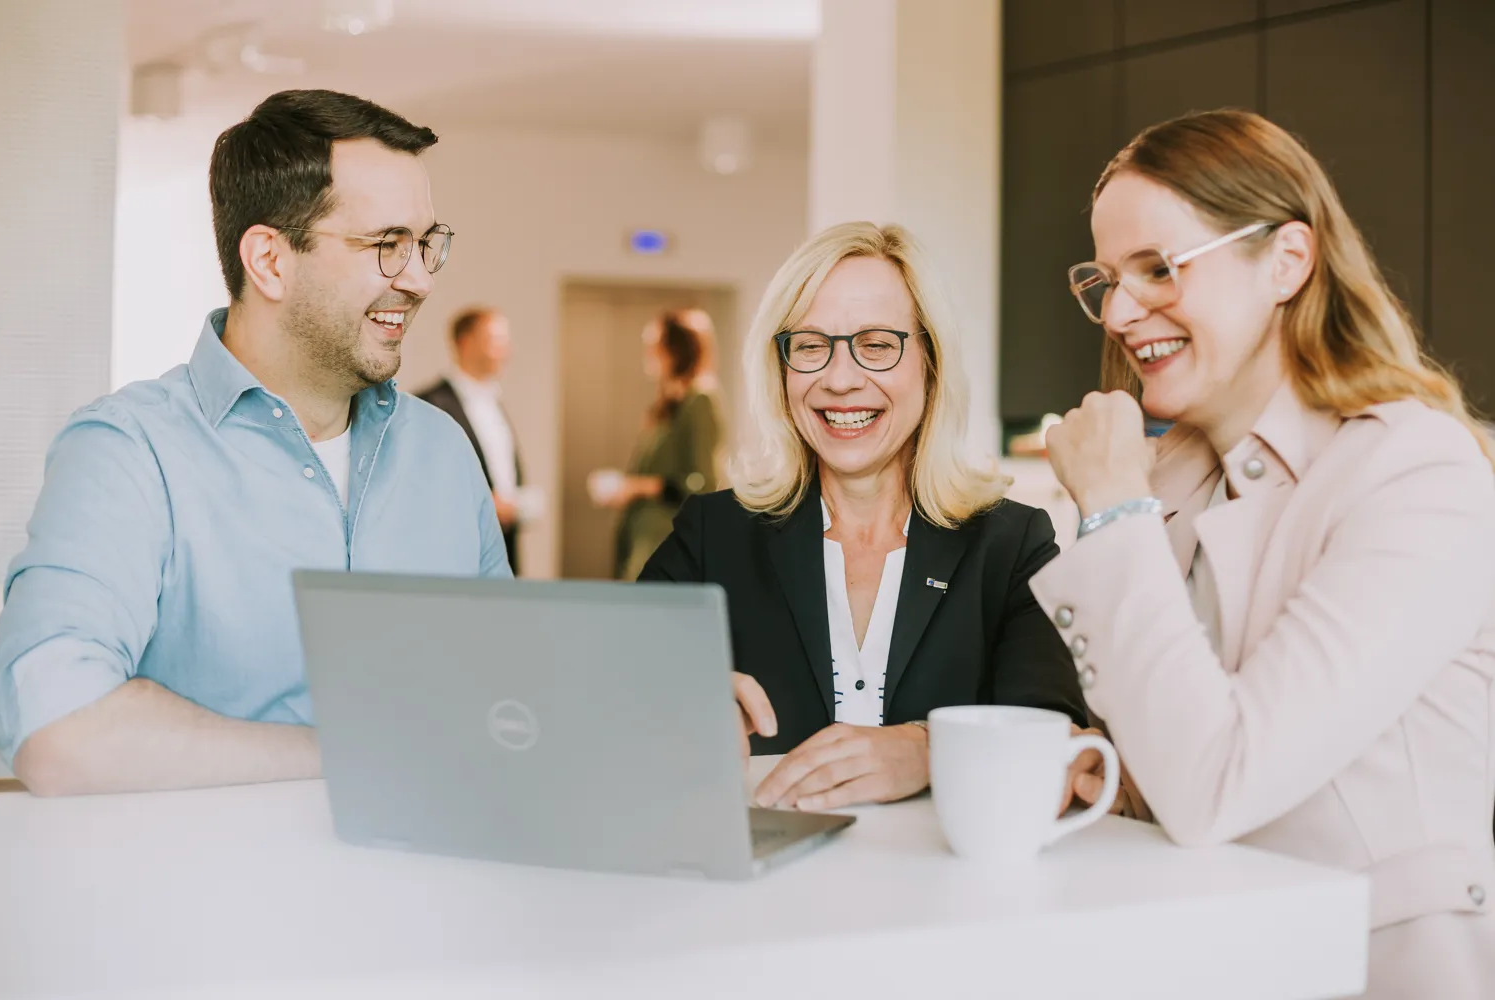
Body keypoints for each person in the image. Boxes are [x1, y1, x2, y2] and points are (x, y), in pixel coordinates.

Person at [1037, 110, 1495, 997]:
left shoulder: (1416, 472)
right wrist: (1101, 769)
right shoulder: (1168, 478)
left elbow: (1217, 783)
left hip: (1371, 971)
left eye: (1159, 269)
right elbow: (1174, 750)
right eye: (1106, 279)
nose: (1124, 312)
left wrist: (1112, 512)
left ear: (1287, 261)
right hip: (1192, 956)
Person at [0, 89, 510, 797]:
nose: (419, 279)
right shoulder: (127, 451)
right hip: (206, 902)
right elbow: (56, 725)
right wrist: (354, 756)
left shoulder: (443, 455)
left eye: (426, 243)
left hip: (441, 892)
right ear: (269, 260)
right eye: (387, 246)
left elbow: (507, 700)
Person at [640, 222, 1089, 812]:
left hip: (951, 896)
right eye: (809, 345)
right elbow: (608, 696)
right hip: (763, 896)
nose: (840, 378)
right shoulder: (712, 535)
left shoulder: (1012, 546)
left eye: (877, 345)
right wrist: (675, 707)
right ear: (781, 369)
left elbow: (1061, 753)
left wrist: (928, 749)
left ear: (930, 364)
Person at [592, 310, 723, 581]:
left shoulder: (700, 401)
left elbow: (703, 483)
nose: (649, 354)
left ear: (676, 351)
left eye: (655, 346)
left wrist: (638, 487)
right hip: (643, 539)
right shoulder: (671, 403)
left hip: (664, 542)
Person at [419, 307, 527, 574]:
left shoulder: (494, 401)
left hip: (501, 543)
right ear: (466, 343)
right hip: (453, 547)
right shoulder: (430, 404)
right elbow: (425, 476)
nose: (506, 351)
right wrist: (483, 501)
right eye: (496, 342)